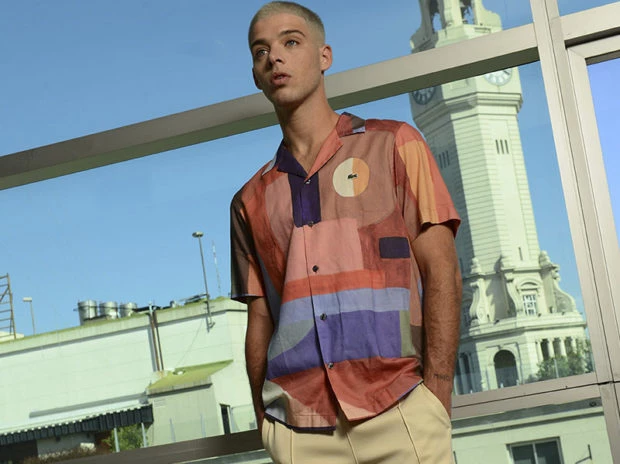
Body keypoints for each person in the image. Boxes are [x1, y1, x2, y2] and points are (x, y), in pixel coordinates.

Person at [230, 2, 462, 462]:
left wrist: (435, 397)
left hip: (402, 413)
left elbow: (442, 273)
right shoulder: (249, 201)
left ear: (324, 56)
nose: (275, 57)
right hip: (300, 433)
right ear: (256, 75)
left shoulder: (394, 145)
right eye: (261, 51)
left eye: (291, 42)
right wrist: (265, 423)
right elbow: (260, 319)